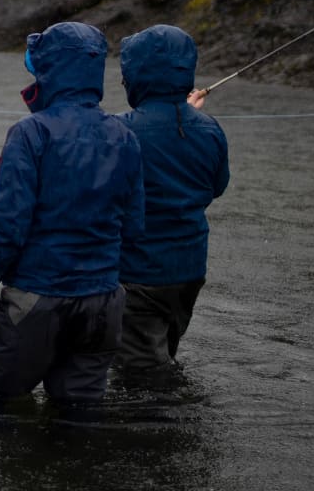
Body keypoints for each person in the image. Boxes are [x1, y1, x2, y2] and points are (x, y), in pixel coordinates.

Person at [0, 22, 145, 406]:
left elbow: (7, 226)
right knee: (79, 409)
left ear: (50, 72)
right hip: (103, 303)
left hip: (38, 297)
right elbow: (134, 226)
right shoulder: (124, 136)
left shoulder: (30, 133)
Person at [113, 24, 230, 375]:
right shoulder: (210, 129)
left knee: (143, 375)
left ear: (137, 75)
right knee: (162, 352)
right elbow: (217, 187)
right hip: (189, 271)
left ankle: (168, 409)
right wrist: (186, 114)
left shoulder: (118, 130)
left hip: (139, 273)